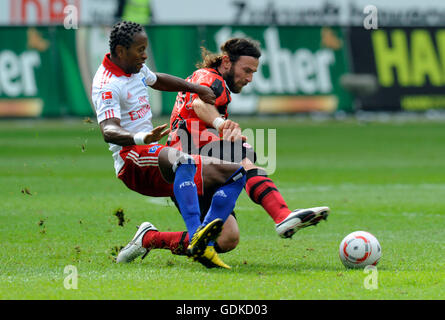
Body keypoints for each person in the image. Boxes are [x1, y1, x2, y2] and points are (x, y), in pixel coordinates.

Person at [92, 21, 247, 269]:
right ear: (120, 51)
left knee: (237, 174)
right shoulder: (107, 84)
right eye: (140, 50)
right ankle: (198, 234)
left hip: (155, 154)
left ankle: (156, 239)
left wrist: (196, 89)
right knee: (181, 159)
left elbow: (157, 80)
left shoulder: (134, 69)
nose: (144, 55)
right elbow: (108, 130)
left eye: (145, 48)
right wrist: (141, 138)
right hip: (131, 159)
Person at [161, 38, 331, 252]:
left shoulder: (206, 79)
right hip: (188, 162)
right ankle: (281, 215)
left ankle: (150, 238)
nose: (249, 78)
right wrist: (220, 123)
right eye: (246, 70)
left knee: (227, 239)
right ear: (226, 62)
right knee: (242, 154)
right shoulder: (212, 79)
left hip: (188, 167)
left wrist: (220, 131)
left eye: (253, 73)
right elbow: (198, 103)